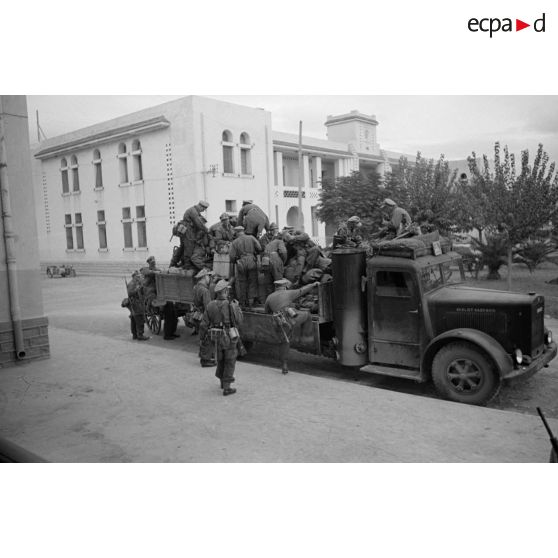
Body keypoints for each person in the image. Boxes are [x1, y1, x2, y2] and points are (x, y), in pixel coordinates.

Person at [264, 279, 320, 374]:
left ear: (276, 287)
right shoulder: (289, 293)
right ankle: (306, 338)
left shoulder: (269, 297)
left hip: (278, 322)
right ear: (285, 287)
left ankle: (284, 365)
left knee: (284, 342)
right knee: (307, 314)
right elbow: (302, 290)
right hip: (289, 320)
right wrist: (313, 284)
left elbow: (267, 311)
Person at [199, 280, 244, 396]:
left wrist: (202, 337)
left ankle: (221, 382)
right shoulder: (231, 305)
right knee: (230, 360)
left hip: (216, 337)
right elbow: (239, 321)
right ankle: (227, 387)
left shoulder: (210, 304)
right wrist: (238, 308)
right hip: (229, 337)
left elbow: (204, 324)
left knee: (220, 360)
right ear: (225, 291)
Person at [229, 225, 262, 306]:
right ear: (243, 231)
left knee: (242, 283)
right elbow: (259, 248)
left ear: (237, 233)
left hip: (241, 263)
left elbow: (232, 257)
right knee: (252, 282)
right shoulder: (251, 237)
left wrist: (235, 261)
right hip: (251, 260)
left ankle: (243, 303)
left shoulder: (235, 242)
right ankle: (251, 303)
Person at [193, 268, 216, 366]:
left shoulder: (196, 287)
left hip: (198, 315)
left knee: (202, 337)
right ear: (204, 277)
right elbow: (208, 307)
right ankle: (205, 360)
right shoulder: (205, 290)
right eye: (208, 276)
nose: (209, 278)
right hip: (204, 316)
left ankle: (205, 357)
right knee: (207, 338)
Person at [181, 201, 210, 265]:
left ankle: (185, 264)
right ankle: (187, 265)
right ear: (200, 206)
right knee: (189, 247)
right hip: (188, 230)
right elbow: (199, 223)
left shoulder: (195, 211)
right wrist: (206, 230)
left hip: (188, 230)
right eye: (203, 209)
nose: (203, 210)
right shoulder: (193, 212)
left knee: (185, 247)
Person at [261, 228, 288, 297]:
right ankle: (279, 300)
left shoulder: (271, 243)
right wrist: (283, 262)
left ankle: (270, 300)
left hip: (265, 259)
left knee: (268, 282)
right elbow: (283, 252)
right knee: (279, 282)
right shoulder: (280, 241)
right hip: (274, 259)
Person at [125, 271, 149, 341]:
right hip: (135, 304)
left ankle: (135, 335)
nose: (138, 277)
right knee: (139, 320)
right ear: (134, 277)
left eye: (139, 276)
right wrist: (137, 289)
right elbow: (130, 293)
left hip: (136, 303)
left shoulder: (135, 283)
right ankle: (140, 335)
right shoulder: (132, 284)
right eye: (137, 276)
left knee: (134, 319)